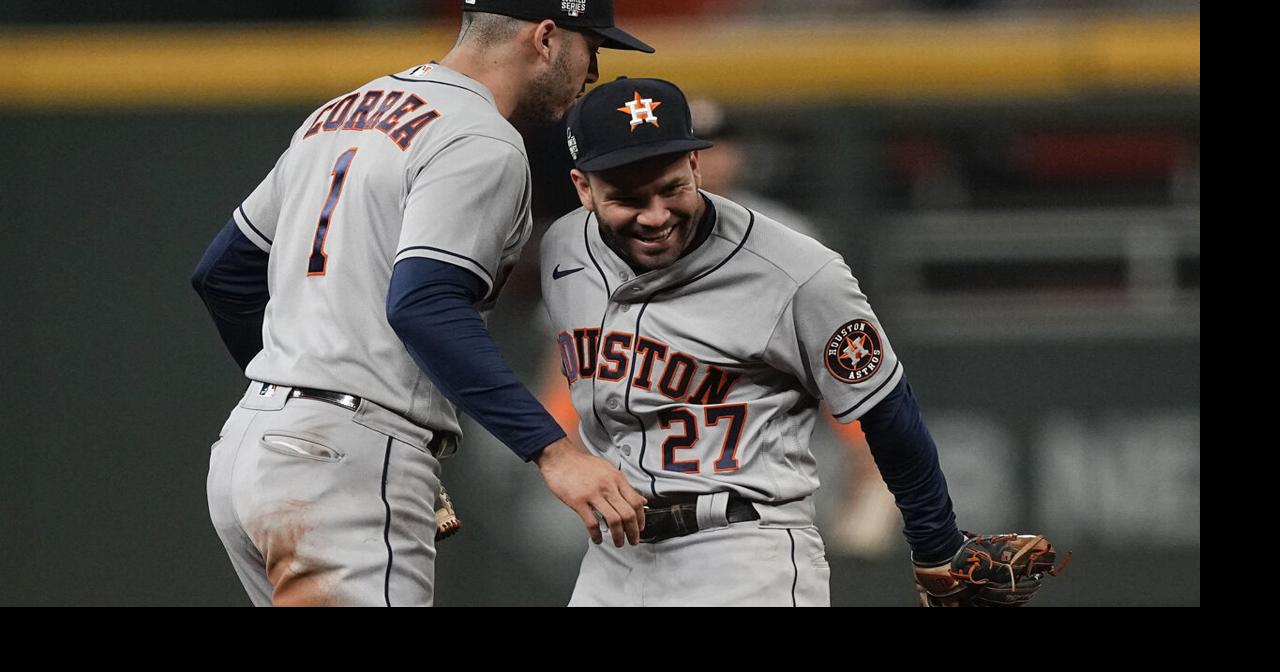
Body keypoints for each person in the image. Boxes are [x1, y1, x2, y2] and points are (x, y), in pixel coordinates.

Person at [191, 0, 653, 607]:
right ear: (545, 38)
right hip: (344, 460)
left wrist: (303, 395)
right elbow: (426, 303)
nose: (591, 72)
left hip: (252, 450)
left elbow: (223, 274)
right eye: (590, 48)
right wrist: (555, 452)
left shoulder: (337, 114)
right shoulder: (483, 137)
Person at [541, 77, 964, 606]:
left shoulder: (798, 270)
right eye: (628, 197)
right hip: (613, 556)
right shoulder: (563, 249)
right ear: (584, 188)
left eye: (671, 188)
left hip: (743, 553)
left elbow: (887, 410)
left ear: (696, 167)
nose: (654, 215)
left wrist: (937, 550)